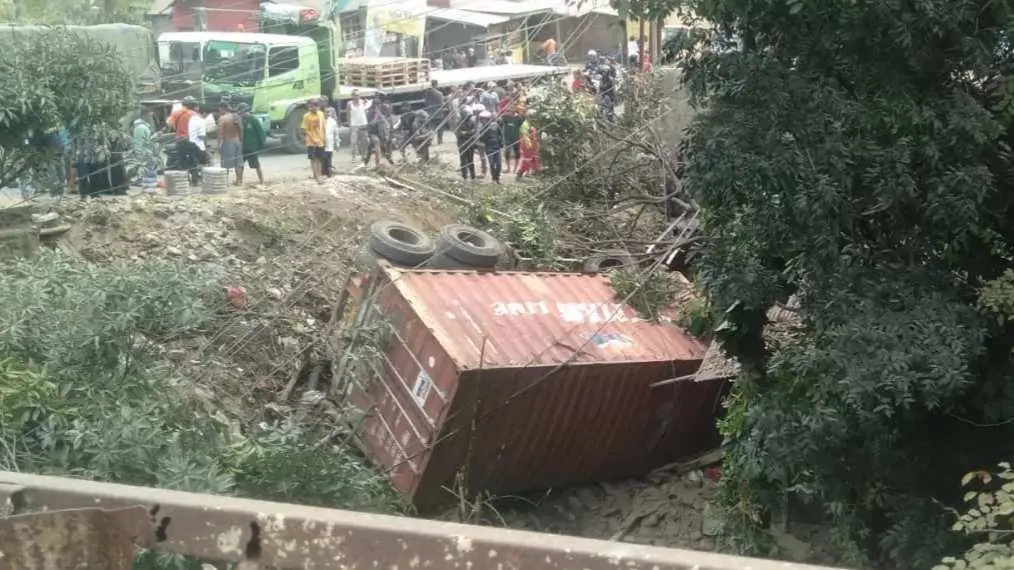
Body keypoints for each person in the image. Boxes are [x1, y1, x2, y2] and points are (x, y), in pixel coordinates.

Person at [237, 103, 266, 185]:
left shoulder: (254, 120)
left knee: (256, 165)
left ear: (246, 111)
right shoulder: (240, 120)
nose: (240, 114)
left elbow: (261, 134)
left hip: (252, 148)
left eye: (241, 112)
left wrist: (261, 146)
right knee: (240, 165)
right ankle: (240, 182)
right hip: (243, 147)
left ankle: (262, 181)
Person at [132, 108, 158, 191]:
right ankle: (149, 188)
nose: (150, 118)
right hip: (145, 153)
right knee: (150, 171)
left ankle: (149, 188)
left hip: (147, 152)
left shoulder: (144, 126)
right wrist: (140, 154)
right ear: (144, 115)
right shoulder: (140, 127)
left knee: (150, 170)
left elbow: (147, 140)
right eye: (149, 116)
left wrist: (155, 136)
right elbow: (139, 142)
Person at [301, 99, 326, 182]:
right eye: (312, 106)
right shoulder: (306, 116)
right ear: (309, 107)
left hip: (320, 140)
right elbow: (305, 130)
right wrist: (313, 139)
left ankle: (319, 175)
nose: (314, 108)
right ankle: (316, 175)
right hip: (311, 142)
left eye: (316, 106)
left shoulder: (321, 114)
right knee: (313, 159)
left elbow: (323, 127)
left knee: (319, 158)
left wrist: (324, 138)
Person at [218, 104, 243, 185]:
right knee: (238, 162)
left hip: (228, 142)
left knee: (225, 162)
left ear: (222, 109)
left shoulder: (222, 118)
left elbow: (220, 134)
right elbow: (241, 130)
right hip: (237, 141)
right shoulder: (237, 117)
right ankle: (239, 181)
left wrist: (218, 145)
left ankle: (225, 182)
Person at [478, 111, 503, 184]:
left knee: (498, 164)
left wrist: (500, 142)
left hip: (497, 147)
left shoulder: (496, 126)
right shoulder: (483, 128)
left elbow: (500, 134)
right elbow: (481, 138)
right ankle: (493, 178)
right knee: (492, 164)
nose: (483, 121)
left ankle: (497, 178)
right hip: (489, 148)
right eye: (482, 119)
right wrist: (487, 138)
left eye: (485, 119)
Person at [186, 102, 207, 185]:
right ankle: (199, 180)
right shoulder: (201, 121)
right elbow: (202, 136)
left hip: (190, 143)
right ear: (204, 113)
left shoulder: (191, 119)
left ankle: (194, 181)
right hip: (199, 145)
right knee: (200, 164)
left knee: (193, 163)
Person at [516, 111, 541, 179]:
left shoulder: (530, 125)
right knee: (527, 160)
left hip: (532, 145)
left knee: (534, 160)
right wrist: (529, 146)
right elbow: (525, 137)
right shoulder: (525, 125)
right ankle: (519, 174)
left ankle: (536, 173)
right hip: (527, 146)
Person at [348, 89, 371, 160]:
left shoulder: (363, 102)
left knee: (364, 141)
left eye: (358, 95)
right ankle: (353, 157)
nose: (357, 97)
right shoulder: (349, 104)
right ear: (352, 96)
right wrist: (349, 123)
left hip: (363, 123)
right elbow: (348, 115)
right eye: (355, 95)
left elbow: (368, 107)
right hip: (354, 124)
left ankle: (363, 155)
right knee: (354, 142)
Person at [455, 106, 478, 181]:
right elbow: (458, 133)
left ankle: (473, 176)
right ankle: (464, 176)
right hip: (462, 144)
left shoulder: (471, 121)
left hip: (470, 144)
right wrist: (467, 133)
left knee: (470, 160)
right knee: (463, 161)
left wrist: (466, 133)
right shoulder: (459, 122)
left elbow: (474, 131)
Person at [500, 105, 523, 173]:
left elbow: (521, 128)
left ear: (515, 110)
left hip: (516, 138)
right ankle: (508, 168)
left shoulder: (518, 118)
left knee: (517, 153)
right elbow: (501, 120)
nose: (510, 111)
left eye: (511, 109)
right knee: (507, 153)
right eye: (509, 110)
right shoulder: (505, 117)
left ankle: (515, 169)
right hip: (507, 138)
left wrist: (521, 137)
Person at [423, 80, 444, 145]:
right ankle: (439, 141)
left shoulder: (427, 93)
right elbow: (441, 104)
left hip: (430, 113)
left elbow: (425, 102)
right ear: (436, 84)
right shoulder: (439, 93)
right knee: (440, 128)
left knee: (430, 128)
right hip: (438, 113)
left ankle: (429, 141)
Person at [324, 107, 340, 176]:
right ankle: (324, 171)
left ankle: (329, 172)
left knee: (329, 157)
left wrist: (337, 143)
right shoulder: (321, 121)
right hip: (322, 142)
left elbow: (336, 133)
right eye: (326, 112)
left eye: (328, 112)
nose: (327, 113)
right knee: (324, 158)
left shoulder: (333, 122)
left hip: (330, 142)